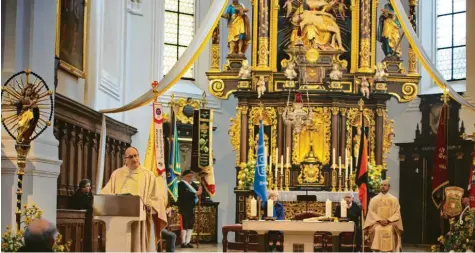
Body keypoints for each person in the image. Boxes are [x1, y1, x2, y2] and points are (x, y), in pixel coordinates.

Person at [100, 146, 165, 252]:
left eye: (136, 156)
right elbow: (106, 193)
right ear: (125, 159)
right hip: (119, 221)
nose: (134, 159)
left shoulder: (148, 175)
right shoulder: (117, 174)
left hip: (141, 222)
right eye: (130, 157)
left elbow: (158, 198)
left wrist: (150, 205)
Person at [363, 179, 403, 252]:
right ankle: (377, 250)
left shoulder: (394, 199)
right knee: (377, 229)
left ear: (389, 187)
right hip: (377, 223)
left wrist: (388, 220)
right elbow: (371, 212)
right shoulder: (374, 200)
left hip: (390, 223)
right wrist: (379, 220)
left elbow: (397, 213)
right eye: (381, 185)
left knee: (391, 229)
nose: (383, 187)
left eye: (385, 185)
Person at [177, 170, 202, 248]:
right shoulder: (181, 184)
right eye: (188, 176)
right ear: (184, 176)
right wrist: (195, 193)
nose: (190, 178)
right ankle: (183, 242)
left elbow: (198, 191)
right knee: (184, 224)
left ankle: (188, 241)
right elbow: (184, 194)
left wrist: (200, 190)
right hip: (184, 206)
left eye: (191, 176)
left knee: (190, 224)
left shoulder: (193, 184)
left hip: (191, 206)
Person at [70, 178, 93, 251]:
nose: (90, 188)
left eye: (90, 186)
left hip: (88, 219)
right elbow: (83, 206)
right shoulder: (77, 196)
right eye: (88, 186)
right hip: (80, 221)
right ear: (82, 187)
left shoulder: (89, 195)